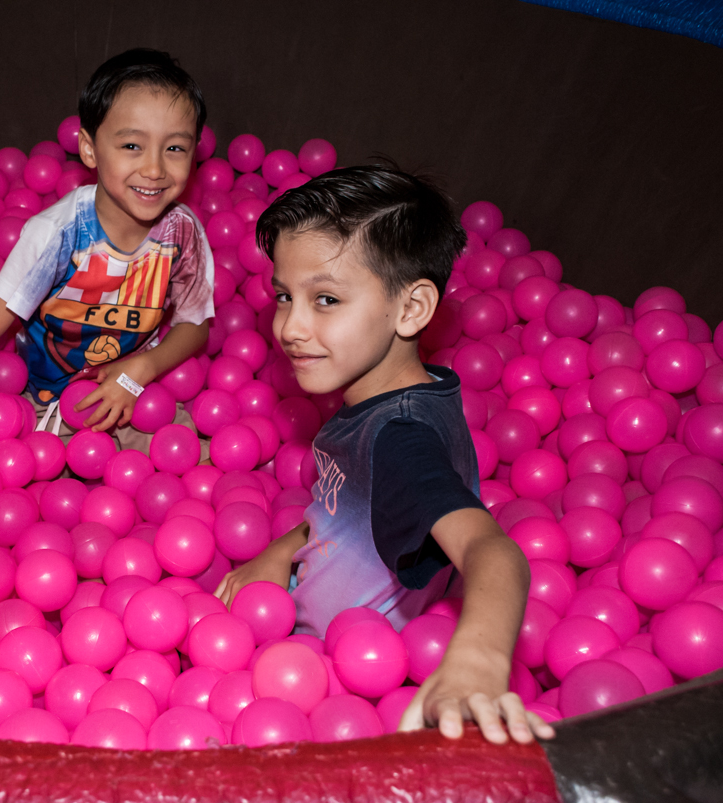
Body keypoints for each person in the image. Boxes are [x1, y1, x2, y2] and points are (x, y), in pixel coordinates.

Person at [214, 165, 555, 746]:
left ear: (412, 309)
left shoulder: (399, 438)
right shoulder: (417, 394)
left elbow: (491, 549)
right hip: (302, 647)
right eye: (283, 296)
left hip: (340, 689)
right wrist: (281, 549)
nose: (291, 327)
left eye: (325, 299)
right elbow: (361, 505)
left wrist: (476, 662)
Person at [0, 48, 213, 478]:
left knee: (195, 466)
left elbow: (196, 326)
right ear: (89, 149)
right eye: (132, 145)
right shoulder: (58, 233)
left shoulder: (183, 232)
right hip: (46, 393)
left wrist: (140, 369)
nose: (155, 168)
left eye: (175, 147)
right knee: (28, 479)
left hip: (136, 385)